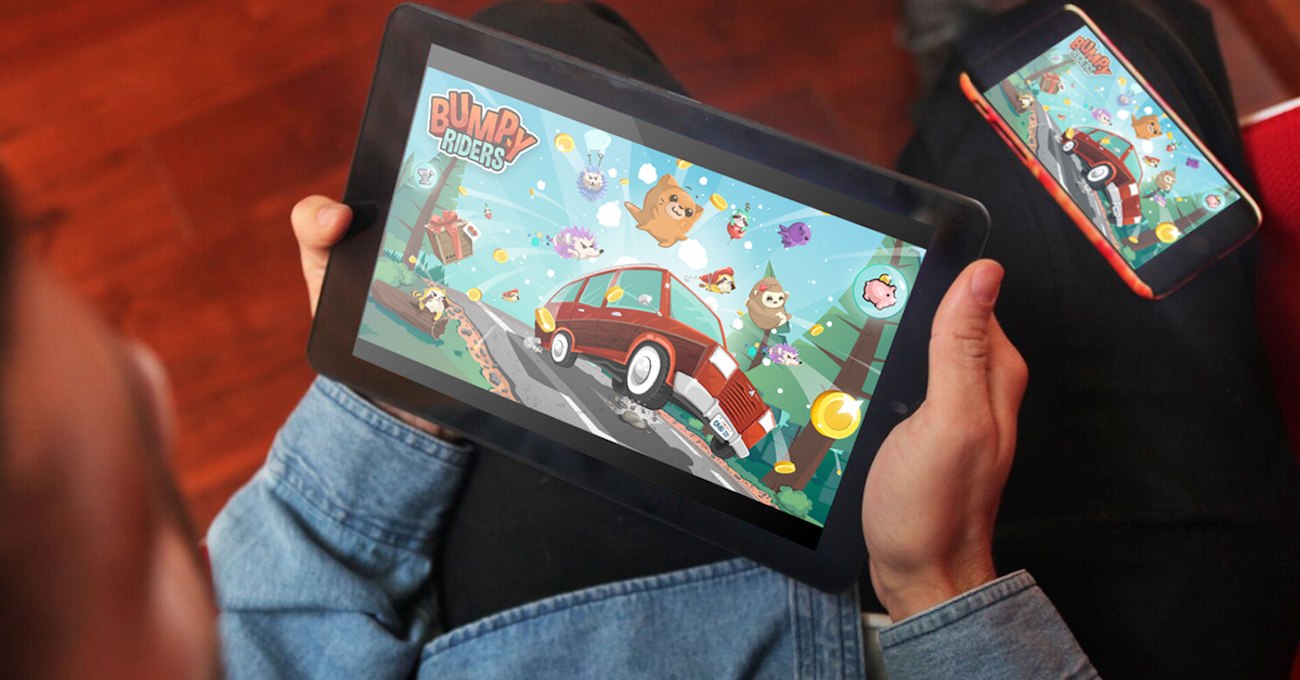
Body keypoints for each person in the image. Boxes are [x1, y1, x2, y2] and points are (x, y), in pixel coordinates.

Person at [0, 2, 1293, 680]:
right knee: (1116, 44)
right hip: (962, 626)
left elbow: (281, 615)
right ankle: (973, 54)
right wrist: (942, 589)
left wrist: (389, 389)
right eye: (110, 498)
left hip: (544, 614)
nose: (151, 377)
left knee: (537, 38)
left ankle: (959, 68)